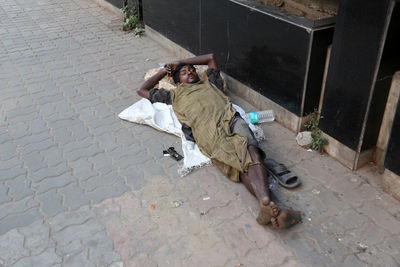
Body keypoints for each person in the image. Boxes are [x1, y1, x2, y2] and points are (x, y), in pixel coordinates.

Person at [138, 54, 301, 229]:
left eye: (192, 70)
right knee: (237, 163)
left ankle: (267, 205)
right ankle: (274, 206)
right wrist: (165, 69)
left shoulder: (211, 83)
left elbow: (210, 58)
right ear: (178, 82)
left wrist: (181, 62)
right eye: (184, 73)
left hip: (231, 119)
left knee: (250, 148)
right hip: (207, 131)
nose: (190, 72)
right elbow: (142, 90)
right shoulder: (173, 95)